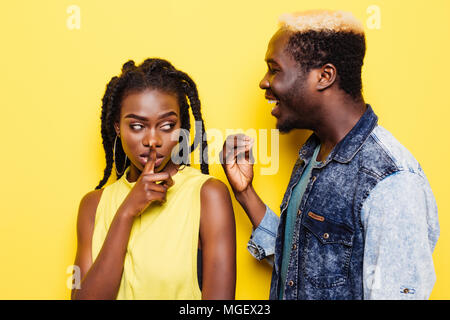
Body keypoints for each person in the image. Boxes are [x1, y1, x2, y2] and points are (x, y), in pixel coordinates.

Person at [221, 10, 439, 300]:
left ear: (324, 76)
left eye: (274, 69)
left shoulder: (392, 183)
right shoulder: (314, 153)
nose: (264, 82)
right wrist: (245, 193)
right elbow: (306, 269)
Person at [71, 58, 236, 300]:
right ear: (117, 126)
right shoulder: (93, 206)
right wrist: (126, 212)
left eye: (167, 125)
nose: (153, 141)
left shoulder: (207, 195)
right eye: (137, 126)